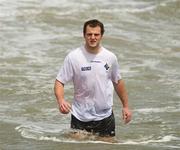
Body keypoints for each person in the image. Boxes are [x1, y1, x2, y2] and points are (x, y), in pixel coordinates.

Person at [54, 19, 132, 138]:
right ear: (84, 35)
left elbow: (118, 82)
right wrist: (61, 101)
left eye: (96, 34)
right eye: (89, 34)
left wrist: (125, 106)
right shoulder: (73, 57)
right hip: (80, 115)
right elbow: (60, 81)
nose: (93, 37)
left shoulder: (110, 57)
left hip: (105, 116)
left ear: (101, 36)